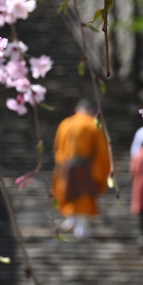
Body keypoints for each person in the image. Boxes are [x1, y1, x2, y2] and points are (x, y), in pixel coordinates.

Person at [51, 100, 111, 238]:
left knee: (68, 191)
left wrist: (60, 163)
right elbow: (102, 150)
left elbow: (57, 147)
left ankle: (72, 220)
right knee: (84, 194)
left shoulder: (64, 124)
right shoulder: (93, 124)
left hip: (65, 165)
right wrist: (103, 169)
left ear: (77, 109)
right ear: (91, 111)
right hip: (86, 166)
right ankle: (80, 226)